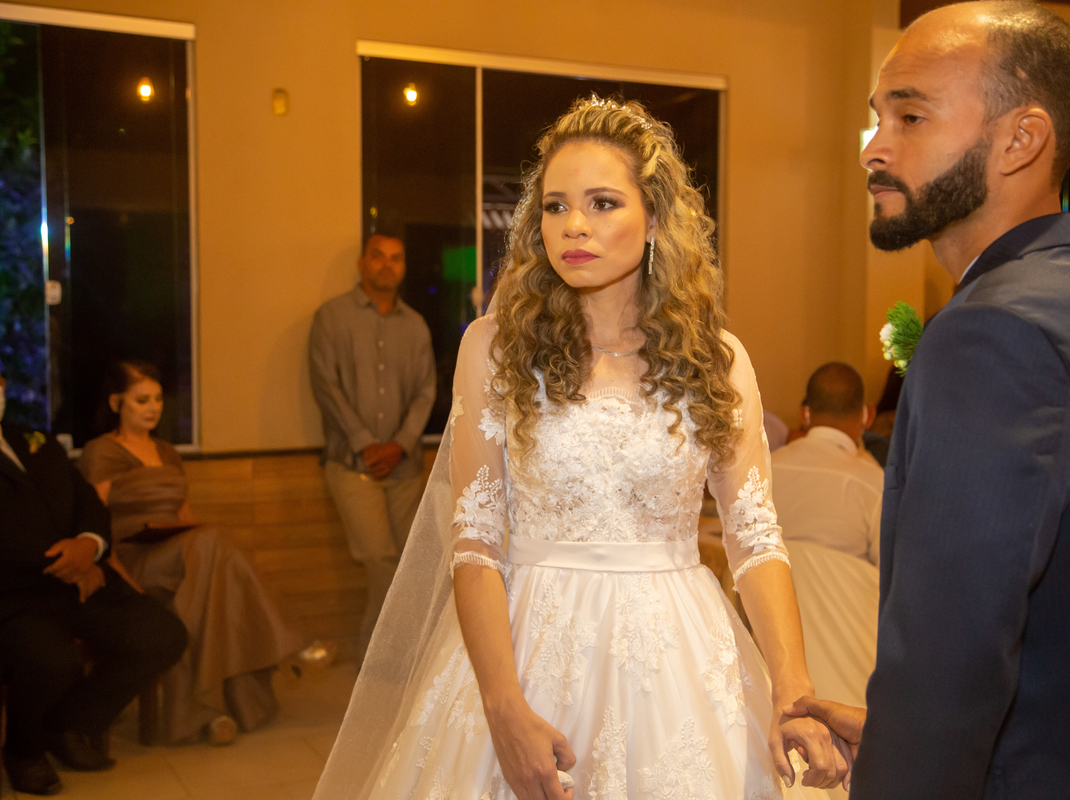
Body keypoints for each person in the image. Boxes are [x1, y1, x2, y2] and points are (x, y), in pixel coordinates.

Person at [314, 97, 847, 800]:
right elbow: (475, 544)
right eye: (555, 206)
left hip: (676, 658)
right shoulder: (495, 348)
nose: (573, 225)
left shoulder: (716, 361)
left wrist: (791, 690)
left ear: (654, 218)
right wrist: (502, 709)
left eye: (602, 203)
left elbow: (755, 540)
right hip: (526, 648)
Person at [788, 3, 1070, 798]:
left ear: (1021, 139)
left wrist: (910, 763)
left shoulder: (989, 332)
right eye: (877, 117)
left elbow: (951, 652)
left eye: (911, 116)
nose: (875, 148)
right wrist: (903, 734)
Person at [78, 361, 309, 746]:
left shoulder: (168, 452)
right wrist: (123, 581)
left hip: (177, 554)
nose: (153, 408)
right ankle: (292, 642)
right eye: (142, 400)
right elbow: (93, 521)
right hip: (131, 557)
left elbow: (184, 516)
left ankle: (211, 713)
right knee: (208, 547)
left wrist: (201, 538)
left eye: (157, 399)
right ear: (117, 403)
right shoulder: (101, 451)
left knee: (207, 578)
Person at [0, 370, 187, 795]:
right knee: (54, 660)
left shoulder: (34, 440)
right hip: (14, 593)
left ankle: (67, 725)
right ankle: (24, 752)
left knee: (162, 635)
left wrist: (90, 544)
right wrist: (68, 561)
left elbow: (85, 499)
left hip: (79, 577)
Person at [308, 231, 437, 661]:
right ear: (362, 264)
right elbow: (326, 386)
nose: (387, 264)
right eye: (378, 256)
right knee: (381, 559)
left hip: (404, 466)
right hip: (352, 464)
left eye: (396, 258)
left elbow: (426, 392)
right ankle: (384, 663)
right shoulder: (331, 318)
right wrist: (366, 444)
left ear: (403, 267)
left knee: (410, 562)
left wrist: (400, 444)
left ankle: (390, 661)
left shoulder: (415, 325)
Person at [771, 363, 883, 564]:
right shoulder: (876, 483)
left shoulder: (765, 469)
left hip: (769, 584)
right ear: (868, 416)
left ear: (804, 414)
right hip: (849, 586)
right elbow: (890, 570)